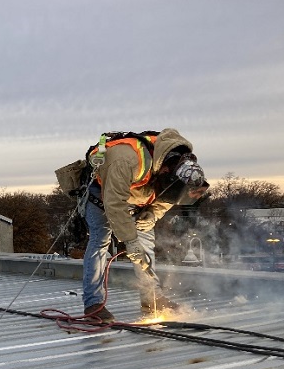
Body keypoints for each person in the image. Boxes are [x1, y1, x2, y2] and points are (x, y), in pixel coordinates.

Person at [77, 128, 208, 322]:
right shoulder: (126, 160)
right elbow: (114, 204)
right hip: (102, 189)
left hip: (136, 192)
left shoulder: (179, 170)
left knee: (145, 238)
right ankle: (93, 304)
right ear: (165, 171)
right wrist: (129, 241)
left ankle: (151, 298)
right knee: (100, 239)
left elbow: (169, 196)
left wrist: (152, 214)